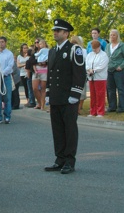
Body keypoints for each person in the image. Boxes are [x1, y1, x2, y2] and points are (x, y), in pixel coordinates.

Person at [44, 19, 85, 174]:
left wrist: (75, 94)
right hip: (55, 97)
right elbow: (51, 74)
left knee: (69, 129)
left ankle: (69, 160)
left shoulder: (75, 49)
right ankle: (59, 159)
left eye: (58, 30)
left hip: (69, 98)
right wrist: (48, 93)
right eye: (54, 30)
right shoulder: (52, 51)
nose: (55, 33)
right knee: (57, 129)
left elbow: (79, 74)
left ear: (66, 33)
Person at [0, 36, 14, 124]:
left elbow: (10, 66)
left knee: (7, 98)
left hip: (6, 77)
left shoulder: (9, 54)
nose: (1, 44)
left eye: (2, 42)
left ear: (5, 43)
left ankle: (7, 116)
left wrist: (2, 73)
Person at [85, 40, 108, 117]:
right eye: (93, 48)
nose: (94, 50)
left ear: (99, 47)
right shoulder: (90, 55)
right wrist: (88, 70)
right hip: (91, 77)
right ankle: (93, 111)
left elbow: (102, 66)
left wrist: (94, 70)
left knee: (100, 94)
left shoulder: (104, 55)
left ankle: (100, 111)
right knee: (93, 95)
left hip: (100, 78)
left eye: (95, 48)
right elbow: (87, 63)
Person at [105, 29, 124, 113]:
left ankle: (121, 107)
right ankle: (112, 106)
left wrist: (121, 66)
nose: (112, 36)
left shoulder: (122, 45)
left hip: (119, 70)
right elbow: (105, 57)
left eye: (114, 35)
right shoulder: (108, 46)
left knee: (120, 89)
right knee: (110, 89)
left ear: (117, 36)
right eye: (111, 35)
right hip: (109, 70)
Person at [70, 36, 87, 114]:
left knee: (81, 91)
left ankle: (79, 108)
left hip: (81, 73)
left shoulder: (82, 50)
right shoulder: (70, 50)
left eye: (75, 43)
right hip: (71, 74)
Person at [33, 39, 49, 110]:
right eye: (36, 43)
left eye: (39, 42)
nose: (38, 44)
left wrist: (45, 62)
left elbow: (51, 60)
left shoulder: (47, 51)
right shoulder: (34, 52)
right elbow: (30, 61)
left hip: (44, 70)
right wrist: (37, 63)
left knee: (43, 89)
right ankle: (39, 102)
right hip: (36, 70)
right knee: (35, 88)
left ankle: (42, 105)